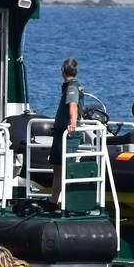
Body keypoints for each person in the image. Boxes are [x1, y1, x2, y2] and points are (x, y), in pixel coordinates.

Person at [49, 57, 83, 206]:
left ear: (63, 71)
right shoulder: (69, 86)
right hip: (60, 133)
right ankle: (53, 201)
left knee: (65, 168)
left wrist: (72, 123)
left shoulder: (71, 88)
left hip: (66, 134)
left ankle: (68, 203)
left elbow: (73, 105)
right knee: (58, 168)